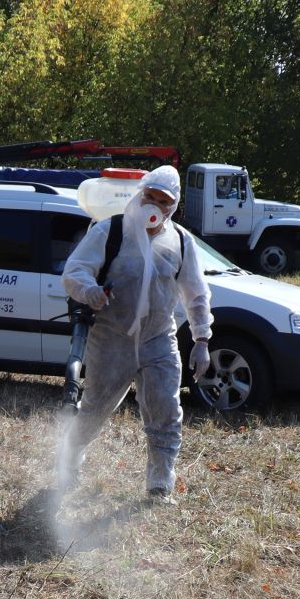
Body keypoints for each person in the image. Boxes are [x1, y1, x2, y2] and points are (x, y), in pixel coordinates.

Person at [58, 164, 212, 501]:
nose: (154, 206)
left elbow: (196, 293)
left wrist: (201, 339)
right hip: (112, 338)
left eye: (163, 201)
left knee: (165, 410)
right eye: (150, 196)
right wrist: (90, 291)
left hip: (159, 338)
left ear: (173, 206)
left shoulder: (181, 242)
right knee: (95, 408)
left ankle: (160, 483)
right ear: (140, 194)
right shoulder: (111, 231)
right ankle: (69, 458)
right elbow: (74, 271)